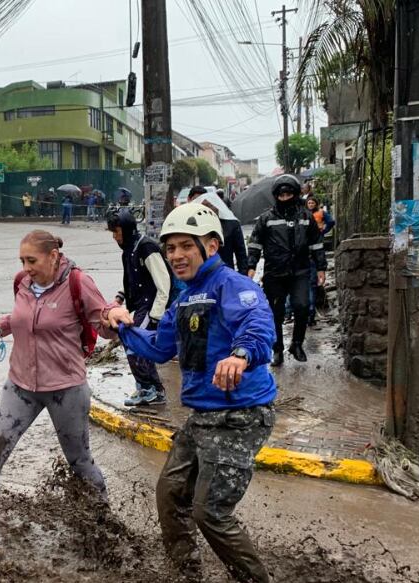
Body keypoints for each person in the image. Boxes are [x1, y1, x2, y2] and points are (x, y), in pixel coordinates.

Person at [104, 203, 276, 583]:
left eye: (186, 246)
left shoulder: (234, 286)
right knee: (170, 496)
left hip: (241, 415)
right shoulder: (183, 300)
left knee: (210, 511)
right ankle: (186, 575)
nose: (177, 256)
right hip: (203, 417)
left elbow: (259, 326)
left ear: (211, 246)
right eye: (171, 248)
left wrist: (240, 355)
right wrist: (123, 328)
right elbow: (160, 347)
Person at [0, 230, 113, 551]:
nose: (26, 267)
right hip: (21, 385)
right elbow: (19, 318)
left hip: (65, 388)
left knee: (79, 461)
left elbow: (103, 321)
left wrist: (116, 317)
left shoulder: (77, 283)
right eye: (22, 261)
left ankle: (105, 528)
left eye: (32, 260)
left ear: (53, 257)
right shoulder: (23, 282)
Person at [247, 174, 326, 365]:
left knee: (302, 306)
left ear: (295, 194)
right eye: (281, 195)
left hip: (300, 270)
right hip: (274, 272)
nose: (284, 198)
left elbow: (316, 243)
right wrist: (251, 266)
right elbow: (255, 243)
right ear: (276, 196)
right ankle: (277, 350)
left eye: (288, 194)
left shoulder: (306, 217)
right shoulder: (266, 218)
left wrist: (321, 267)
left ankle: (296, 344)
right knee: (276, 312)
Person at [106, 207, 172, 407]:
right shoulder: (130, 250)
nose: (115, 237)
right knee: (131, 342)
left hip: (150, 306)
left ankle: (152, 390)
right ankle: (146, 387)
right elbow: (131, 280)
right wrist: (120, 297)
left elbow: (164, 283)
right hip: (140, 306)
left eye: (116, 232)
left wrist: (155, 316)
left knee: (137, 344)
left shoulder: (147, 247)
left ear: (126, 229)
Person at [193, 193, 248, 272]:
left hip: (225, 272)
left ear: (217, 206)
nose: (207, 209)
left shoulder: (232, 224)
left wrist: (243, 277)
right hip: (202, 274)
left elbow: (241, 253)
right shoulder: (195, 227)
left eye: (209, 205)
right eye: (203, 206)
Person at [305, 196, 335, 329]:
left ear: (316, 204)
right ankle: (308, 313)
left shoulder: (320, 213)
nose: (310, 204)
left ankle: (310, 313)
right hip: (308, 251)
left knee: (310, 285)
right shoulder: (304, 214)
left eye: (312, 202)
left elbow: (331, 221)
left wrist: (323, 231)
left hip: (314, 248)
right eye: (309, 202)